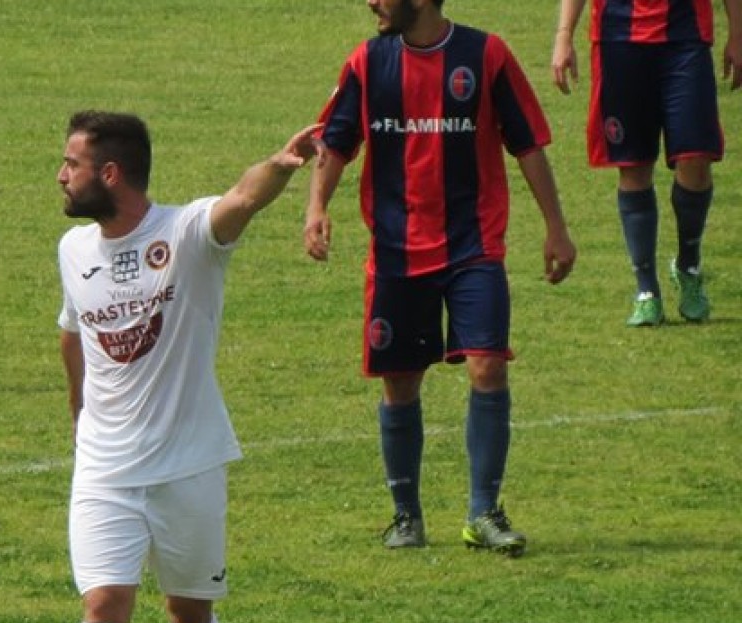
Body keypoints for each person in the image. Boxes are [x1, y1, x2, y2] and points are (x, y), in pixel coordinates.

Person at [52, 110, 323, 623]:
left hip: (188, 465)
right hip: (105, 470)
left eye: (71, 164)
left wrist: (281, 166)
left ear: (109, 174)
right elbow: (71, 332)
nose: (61, 175)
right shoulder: (72, 248)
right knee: (104, 602)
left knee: (187, 615)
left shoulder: (186, 235)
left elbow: (240, 200)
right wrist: (80, 416)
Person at [303, 0, 578, 555]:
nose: (372, 3)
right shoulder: (366, 62)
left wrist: (557, 228)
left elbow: (527, 145)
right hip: (397, 253)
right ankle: (406, 516)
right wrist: (316, 209)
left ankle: (483, 512)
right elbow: (334, 144)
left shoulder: (486, 55)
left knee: (487, 367)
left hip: (473, 247)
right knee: (400, 382)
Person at [551, 0, 740, 326]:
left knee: (696, 161)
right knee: (633, 165)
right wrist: (563, 35)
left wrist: (737, 33)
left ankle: (688, 266)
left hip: (686, 37)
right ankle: (646, 291)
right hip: (618, 38)